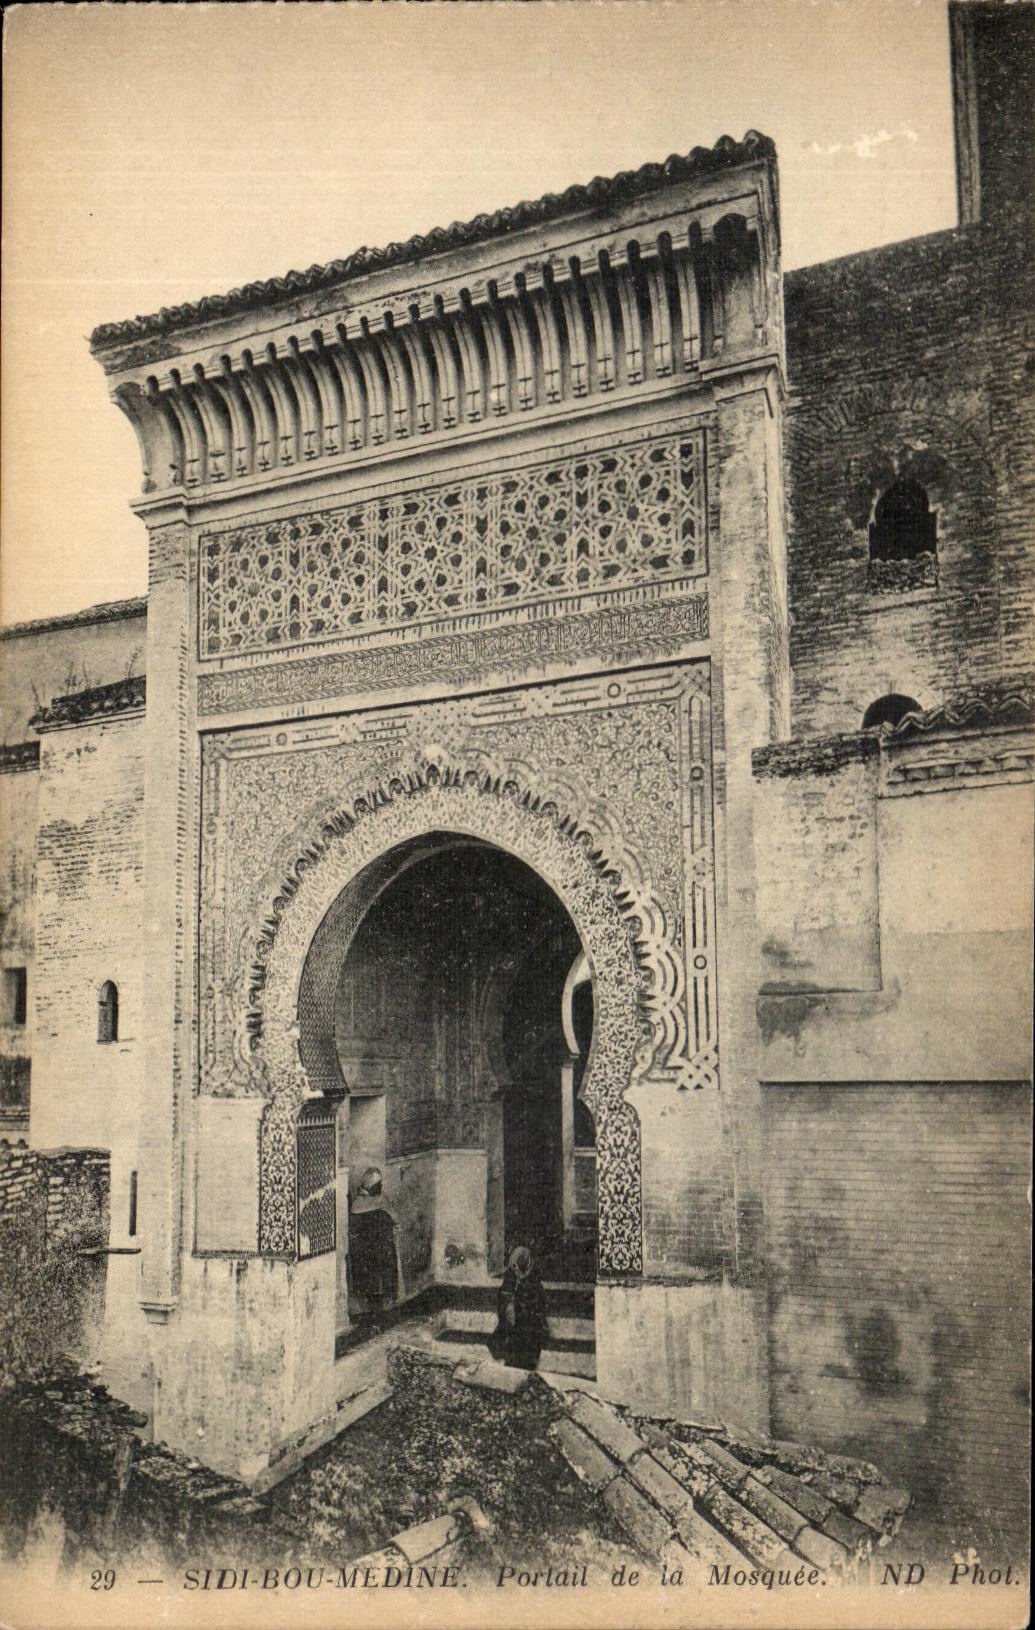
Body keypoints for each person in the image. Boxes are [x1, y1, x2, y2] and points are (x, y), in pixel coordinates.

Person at [487, 1245, 548, 1370]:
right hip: (514, 1330)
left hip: (529, 1331)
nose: (518, 1271)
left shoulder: (535, 1284)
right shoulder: (509, 1280)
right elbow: (503, 1301)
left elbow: (538, 1309)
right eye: (516, 1267)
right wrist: (510, 1305)